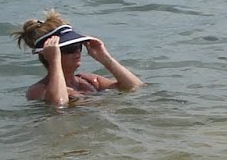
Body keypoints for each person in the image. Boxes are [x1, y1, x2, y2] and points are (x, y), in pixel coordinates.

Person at [13, 10, 143, 106]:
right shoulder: (38, 90)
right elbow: (59, 104)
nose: (77, 52)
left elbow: (135, 87)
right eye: (69, 48)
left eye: (78, 46)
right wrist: (54, 61)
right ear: (47, 54)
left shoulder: (90, 80)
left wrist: (104, 58)